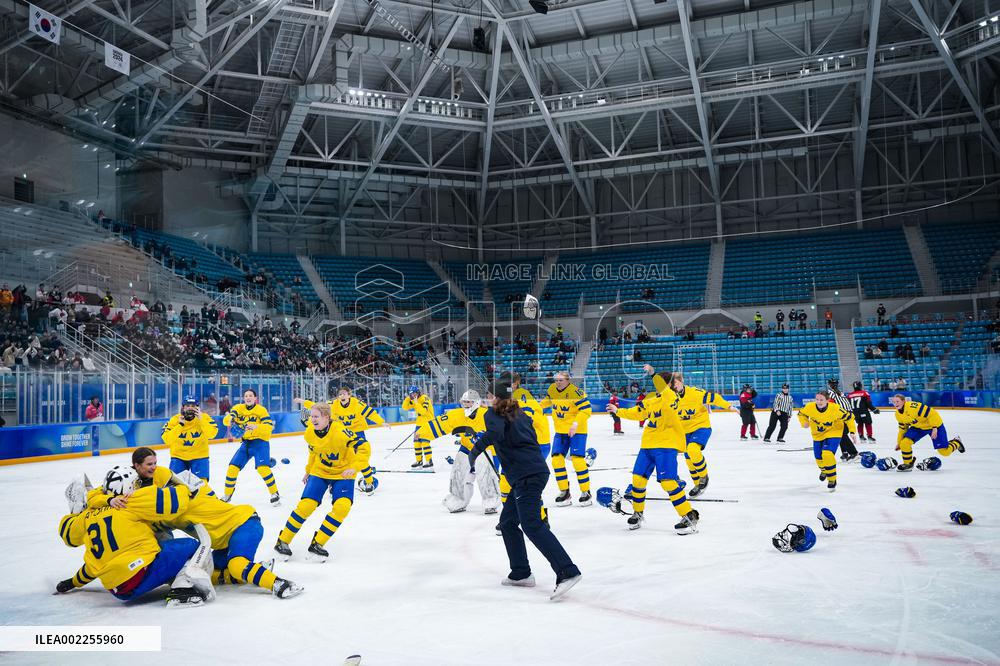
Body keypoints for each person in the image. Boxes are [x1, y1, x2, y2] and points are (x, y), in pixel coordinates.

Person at [469, 374, 581, 601]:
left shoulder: (494, 414)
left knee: (532, 525)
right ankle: (520, 573)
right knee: (508, 523)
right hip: (533, 472)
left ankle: (567, 571)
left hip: (526, 476)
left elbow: (496, 434)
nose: (487, 399)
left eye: (490, 395)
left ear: (496, 397)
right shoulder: (519, 413)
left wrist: (475, 450)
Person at [54, 465, 209, 607]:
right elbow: (174, 501)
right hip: (137, 577)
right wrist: (186, 487)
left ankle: (171, 577)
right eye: (135, 483)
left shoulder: (87, 517)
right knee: (192, 546)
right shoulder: (130, 502)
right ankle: (181, 591)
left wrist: (72, 582)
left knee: (150, 540)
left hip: (119, 592)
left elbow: (71, 538)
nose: (137, 486)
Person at [274, 403, 371, 562]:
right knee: (306, 506)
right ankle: (283, 541)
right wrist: (308, 469)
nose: (312, 420)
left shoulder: (341, 431)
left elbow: (364, 447)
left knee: (342, 507)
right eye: (311, 416)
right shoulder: (309, 433)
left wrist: (355, 467)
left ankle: (318, 543)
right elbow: (313, 452)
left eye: (316, 416)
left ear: (326, 417)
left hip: (343, 472)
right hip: (320, 471)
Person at [606, 371, 700, 534]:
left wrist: (653, 373)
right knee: (637, 480)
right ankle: (638, 512)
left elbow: (663, 391)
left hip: (666, 445)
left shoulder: (672, 397)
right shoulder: (652, 400)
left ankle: (688, 515)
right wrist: (618, 411)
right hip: (648, 444)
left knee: (668, 482)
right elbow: (638, 412)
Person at [649, 366, 731, 497]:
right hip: (683, 432)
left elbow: (714, 398)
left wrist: (729, 406)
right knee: (688, 459)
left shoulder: (695, 393)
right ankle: (698, 483)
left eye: (676, 382)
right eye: (672, 384)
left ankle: (704, 477)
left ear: (681, 382)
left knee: (693, 450)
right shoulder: (670, 397)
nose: (674, 386)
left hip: (700, 427)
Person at [417, 390, 500, 516]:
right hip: (467, 447)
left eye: (469, 402)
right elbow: (441, 423)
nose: (466, 404)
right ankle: (458, 499)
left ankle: (491, 499)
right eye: (464, 402)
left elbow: (499, 429)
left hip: (485, 449)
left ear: (476, 403)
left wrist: (485, 435)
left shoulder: (487, 414)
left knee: (484, 471)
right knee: (458, 471)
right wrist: (423, 431)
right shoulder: (457, 415)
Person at [296, 386, 382, 489]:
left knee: (359, 458)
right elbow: (318, 406)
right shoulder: (333, 404)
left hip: (356, 432)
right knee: (338, 459)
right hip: (340, 433)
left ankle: (369, 481)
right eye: (340, 394)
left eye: (344, 394)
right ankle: (335, 481)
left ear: (349, 395)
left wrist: (381, 422)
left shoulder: (357, 404)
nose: (341, 396)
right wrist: (303, 401)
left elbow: (370, 413)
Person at [541, 371, 593, 506]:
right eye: (556, 380)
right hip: (560, 431)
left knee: (577, 460)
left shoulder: (576, 392)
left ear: (568, 380)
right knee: (556, 460)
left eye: (561, 380)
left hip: (577, 431)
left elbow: (586, 410)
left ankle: (585, 492)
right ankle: (564, 491)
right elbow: (547, 402)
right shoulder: (552, 389)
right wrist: (535, 408)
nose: (557, 382)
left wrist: (575, 424)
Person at [222, 389, 279, 505]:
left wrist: (256, 426)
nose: (248, 397)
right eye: (246, 396)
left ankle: (274, 493)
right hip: (246, 443)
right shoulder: (238, 408)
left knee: (263, 469)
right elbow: (225, 421)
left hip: (260, 443)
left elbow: (269, 427)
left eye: (250, 396)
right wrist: (230, 419)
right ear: (244, 398)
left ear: (255, 398)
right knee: (232, 467)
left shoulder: (261, 410)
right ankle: (228, 494)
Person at [889, 395, 965, 471]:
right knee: (904, 443)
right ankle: (908, 464)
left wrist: (935, 427)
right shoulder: (897, 415)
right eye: (894, 402)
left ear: (903, 401)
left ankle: (956, 442)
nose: (895, 403)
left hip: (933, 425)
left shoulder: (913, 407)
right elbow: (902, 430)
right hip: (918, 427)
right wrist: (899, 443)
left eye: (897, 401)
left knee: (944, 452)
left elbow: (932, 413)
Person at [798, 391, 853, 491]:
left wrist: (853, 431)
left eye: (821, 400)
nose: (819, 402)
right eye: (817, 399)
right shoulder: (810, 407)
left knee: (827, 454)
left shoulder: (835, 408)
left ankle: (832, 479)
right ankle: (824, 470)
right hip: (818, 435)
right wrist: (804, 422)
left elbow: (849, 417)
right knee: (818, 458)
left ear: (827, 400)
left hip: (834, 432)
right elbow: (801, 414)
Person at [163, 397, 218, 482]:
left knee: (202, 487)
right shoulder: (175, 420)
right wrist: (180, 425)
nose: (190, 408)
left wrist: (201, 420)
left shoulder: (205, 418)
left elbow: (211, 434)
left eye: (193, 405)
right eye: (187, 405)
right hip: (178, 457)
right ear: (183, 407)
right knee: (175, 486)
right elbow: (167, 439)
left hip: (200, 457)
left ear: (197, 407)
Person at [826, 379, 859, 461]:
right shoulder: (841, 393)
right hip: (849, 414)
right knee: (841, 435)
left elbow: (830, 405)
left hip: (842, 415)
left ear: (829, 384)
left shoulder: (830, 393)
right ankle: (845, 453)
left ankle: (854, 453)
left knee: (842, 435)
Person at [403, 385, 435, 469]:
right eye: (411, 394)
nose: (413, 395)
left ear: (418, 393)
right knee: (416, 443)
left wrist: (416, 403)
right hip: (419, 424)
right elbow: (405, 407)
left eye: (414, 393)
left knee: (425, 442)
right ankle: (419, 461)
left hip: (428, 423)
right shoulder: (414, 400)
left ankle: (429, 461)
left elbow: (423, 411)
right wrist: (407, 399)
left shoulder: (425, 398)